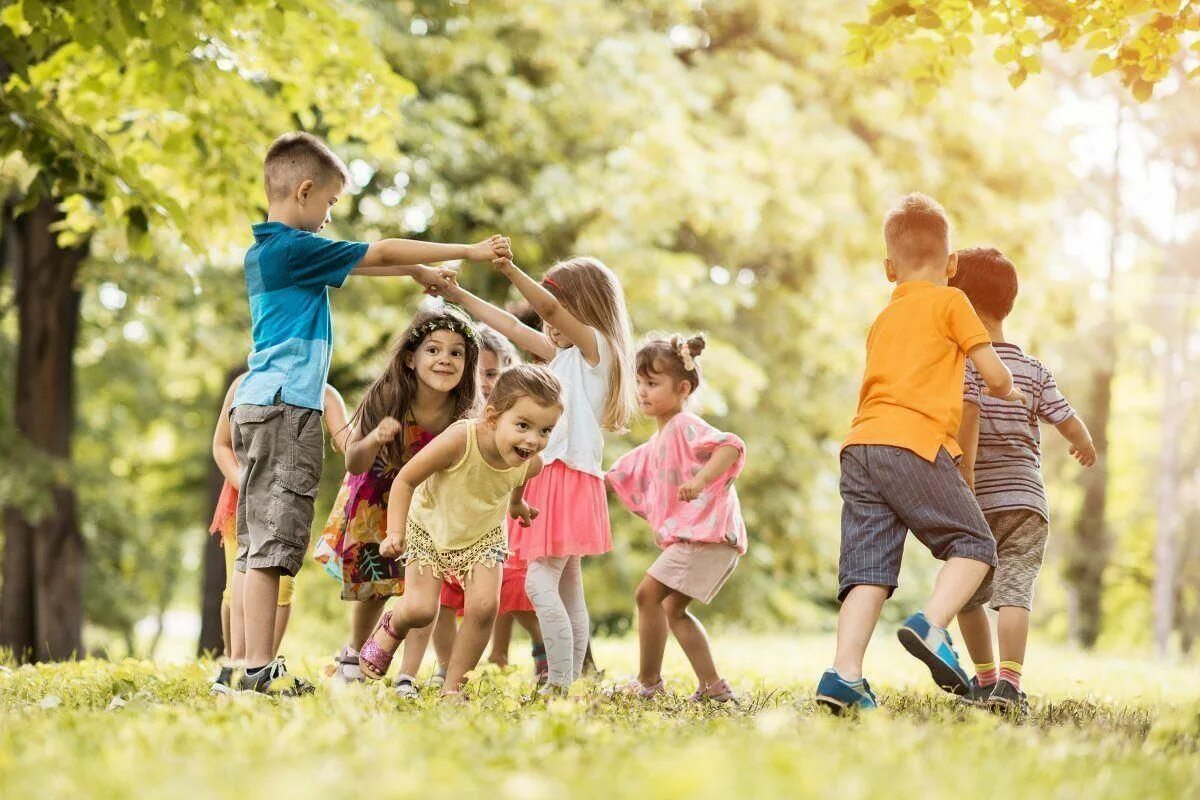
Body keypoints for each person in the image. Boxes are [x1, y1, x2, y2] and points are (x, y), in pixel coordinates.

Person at [229, 130, 508, 694]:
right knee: (275, 545)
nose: (331, 215)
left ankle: (243, 666)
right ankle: (255, 669)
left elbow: (367, 264)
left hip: (261, 405)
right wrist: (468, 252)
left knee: (259, 542)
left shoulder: (269, 252)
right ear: (304, 190)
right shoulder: (292, 248)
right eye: (330, 202)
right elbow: (377, 251)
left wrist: (416, 274)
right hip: (287, 408)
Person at [814, 193, 1023, 713]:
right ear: (952, 265)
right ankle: (932, 626)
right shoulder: (953, 301)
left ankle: (843, 676)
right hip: (913, 442)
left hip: (860, 446)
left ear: (890, 269)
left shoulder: (884, 318)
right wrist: (1010, 389)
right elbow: (993, 373)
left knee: (867, 571)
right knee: (975, 546)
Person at [440, 256, 635, 692]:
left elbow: (546, 310)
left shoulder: (596, 351)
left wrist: (508, 268)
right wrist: (457, 296)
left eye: (562, 308)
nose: (550, 323)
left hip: (565, 477)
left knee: (538, 579)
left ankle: (559, 683)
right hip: (556, 477)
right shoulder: (565, 357)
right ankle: (571, 681)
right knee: (568, 588)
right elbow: (512, 328)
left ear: (585, 307)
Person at [356, 366, 565, 695]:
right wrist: (394, 532)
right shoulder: (460, 438)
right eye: (523, 425)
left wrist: (515, 505)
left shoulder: (531, 461)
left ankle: (454, 689)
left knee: (484, 608)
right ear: (493, 417)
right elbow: (406, 479)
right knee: (422, 609)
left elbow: (520, 478)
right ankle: (392, 623)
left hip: (483, 536)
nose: (533, 440)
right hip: (430, 527)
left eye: (545, 430)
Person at [951, 247, 1096, 716]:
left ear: (960, 302)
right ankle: (1010, 684)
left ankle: (986, 678)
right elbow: (1067, 418)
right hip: (1028, 501)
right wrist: (1084, 444)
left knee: (967, 595)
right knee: (1016, 590)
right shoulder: (1032, 368)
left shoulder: (963, 364)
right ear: (1007, 303)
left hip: (977, 499)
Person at [313, 306, 480, 689]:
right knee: (376, 585)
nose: (445, 360)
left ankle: (405, 671)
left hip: (429, 505)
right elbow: (354, 461)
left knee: (423, 589)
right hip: (377, 497)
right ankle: (353, 654)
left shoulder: (465, 412)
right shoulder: (388, 396)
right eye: (434, 350)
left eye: (457, 352)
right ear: (411, 357)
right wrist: (374, 437)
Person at [607, 334, 747, 702]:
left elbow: (730, 446)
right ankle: (713, 687)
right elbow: (620, 474)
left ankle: (648, 682)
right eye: (639, 382)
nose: (642, 391)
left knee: (647, 595)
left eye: (652, 383)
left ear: (682, 387)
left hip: (707, 536)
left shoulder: (686, 425)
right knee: (671, 609)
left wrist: (700, 479)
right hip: (707, 539)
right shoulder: (658, 441)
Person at [210, 374, 351, 693]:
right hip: (240, 504)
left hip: (285, 503)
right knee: (237, 587)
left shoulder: (323, 392)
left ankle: (262, 666)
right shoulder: (243, 384)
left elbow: (347, 440)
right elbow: (220, 446)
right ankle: (234, 664)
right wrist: (246, 486)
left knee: (281, 587)